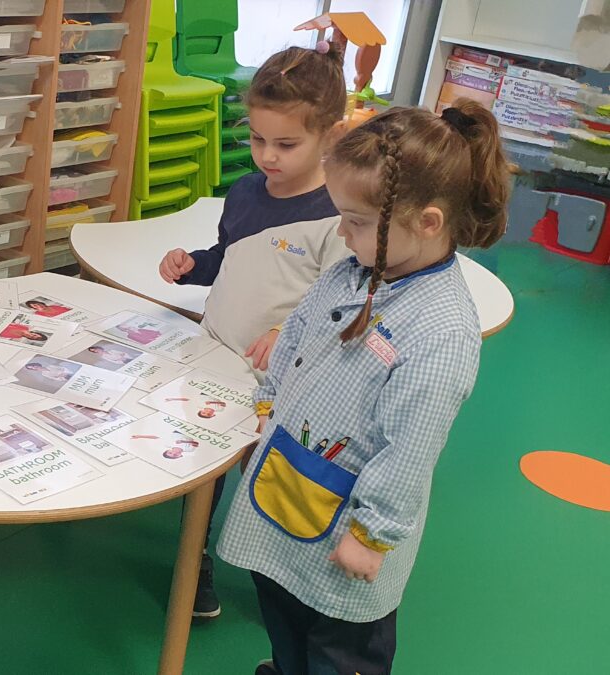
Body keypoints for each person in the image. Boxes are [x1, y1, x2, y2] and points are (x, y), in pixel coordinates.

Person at [217, 100, 511, 675]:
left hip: (350, 525)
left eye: (355, 221)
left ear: (427, 222)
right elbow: (296, 337)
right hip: (290, 478)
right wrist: (267, 405)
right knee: (283, 610)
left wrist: (371, 536)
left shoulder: (442, 329)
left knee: (339, 647)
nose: (340, 232)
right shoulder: (351, 270)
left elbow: (411, 448)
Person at [157, 42, 352, 620]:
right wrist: (194, 264)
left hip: (282, 379)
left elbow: (340, 303)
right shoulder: (243, 193)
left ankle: (287, 579)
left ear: (331, 137)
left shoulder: (338, 215)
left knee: (273, 477)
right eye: (258, 139)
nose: (267, 155)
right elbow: (230, 258)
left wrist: (289, 328)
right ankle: (198, 565)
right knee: (206, 471)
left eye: (286, 144)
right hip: (215, 359)